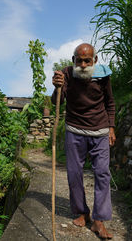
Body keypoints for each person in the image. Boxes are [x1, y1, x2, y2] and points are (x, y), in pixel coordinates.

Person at [51, 43, 116, 239]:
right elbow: (56, 102)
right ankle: (82, 212)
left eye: (87, 60)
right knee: (73, 173)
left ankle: (99, 220)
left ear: (95, 60)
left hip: (100, 130)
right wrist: (57, 87)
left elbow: (110, 103)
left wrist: (111, 128)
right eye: (79, 60)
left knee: (102, 173)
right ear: (73, 60)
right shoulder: (67, 74)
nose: (83, 64)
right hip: (75, 129)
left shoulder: (103, 75)